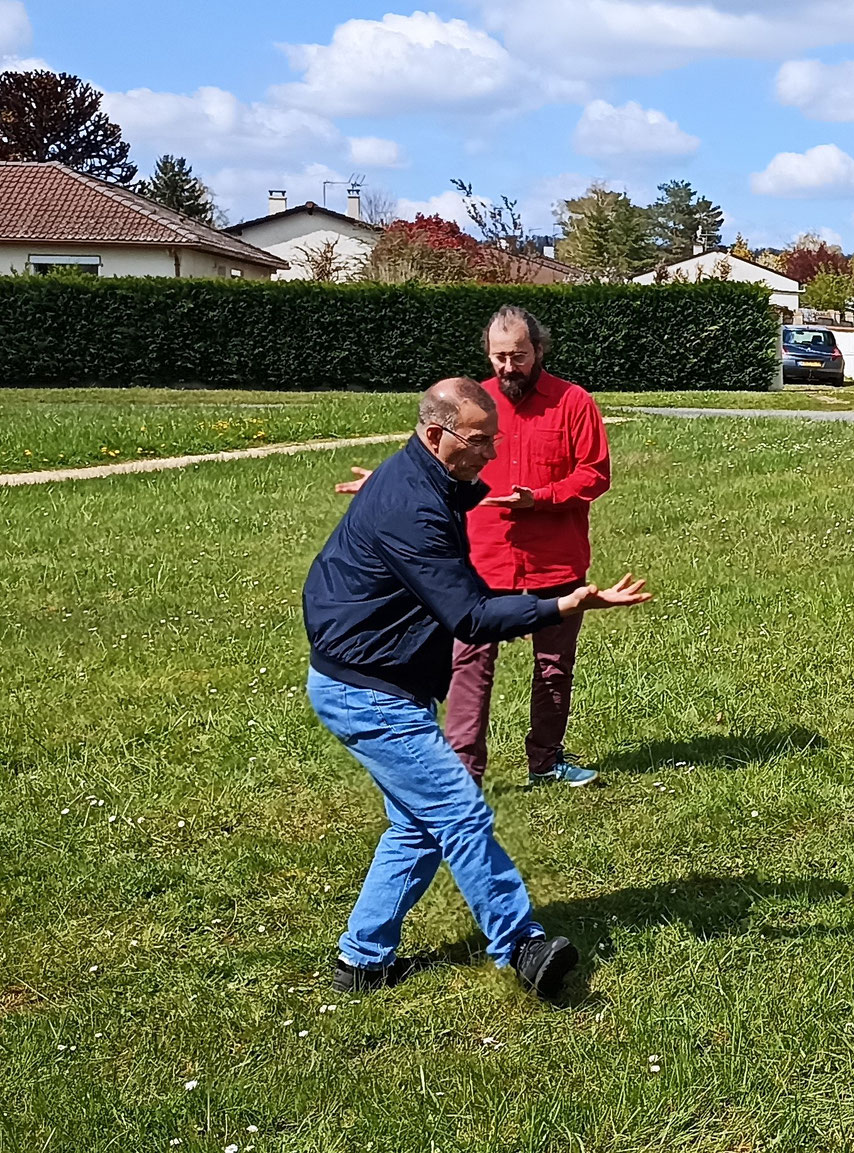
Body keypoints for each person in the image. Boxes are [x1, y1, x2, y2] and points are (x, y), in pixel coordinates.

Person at [305, 377, 650, 998]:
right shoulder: (411, 505)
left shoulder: (420, 478)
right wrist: (561, 604)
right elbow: (470, 617)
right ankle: (520, 945)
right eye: (480, 440)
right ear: (436, 434)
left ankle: (362, 959)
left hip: (375, 680)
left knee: (417, 825)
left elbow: (469, 496)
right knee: (461, 812)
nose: (490, 454)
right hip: (368, 691)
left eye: (494, 438)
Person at [340, 306, 612, 788]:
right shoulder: (472, 403)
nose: (509, 367)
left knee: (554, 668)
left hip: (555, 562)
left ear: (540, 351)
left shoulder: (574, 402)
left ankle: (546, 762)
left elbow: (594, 474)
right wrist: (384, 483)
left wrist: (542, 498)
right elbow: (425, 459)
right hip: (481, 560)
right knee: (470, 666)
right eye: (499, 357)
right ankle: (464, 775)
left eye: (520, 356)